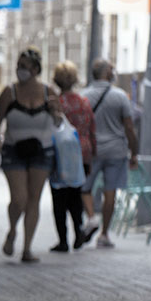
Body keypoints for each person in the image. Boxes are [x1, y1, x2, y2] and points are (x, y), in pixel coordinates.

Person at [0, 48, 63, 262]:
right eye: (18, 65)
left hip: (42, 151)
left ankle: (27, 248)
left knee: (34, 199)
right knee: (19, 199)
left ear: (35, 69)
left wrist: (55, 111)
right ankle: (12, 230)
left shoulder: (49, 92)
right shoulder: (9, 92)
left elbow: (59, 122)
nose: (20, 70)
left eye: (24, 66)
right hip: (14, 150)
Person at [79, 59, 139, 248]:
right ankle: (104, 234)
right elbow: (129, 127)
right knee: (110, 191)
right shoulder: (120, 96)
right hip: (116, 151)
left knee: (84, 187)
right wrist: (134, 152)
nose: (114, 72)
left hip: (92, 150)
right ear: (106, 73)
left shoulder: (84, 96)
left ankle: (91, 217)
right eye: (112, 69)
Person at [49, 61, 96, 252]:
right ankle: (78, 232)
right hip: (81, 152)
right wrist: (92, 153)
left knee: (59, 198)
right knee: (76, 196)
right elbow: (92, 128)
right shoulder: (84, 102)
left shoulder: (55, 103)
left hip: (60, 155)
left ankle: (63, 240)